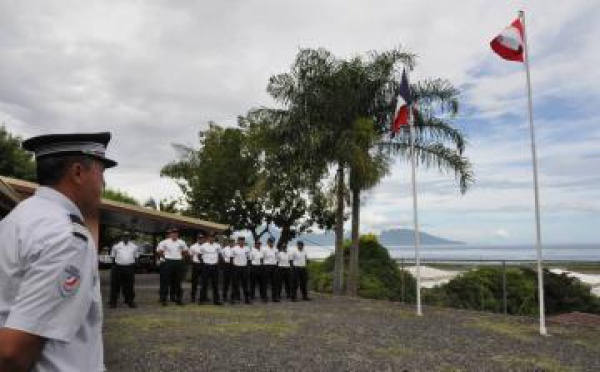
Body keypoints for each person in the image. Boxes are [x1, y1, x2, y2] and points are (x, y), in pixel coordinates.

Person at [0, 132, 116, 371]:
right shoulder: (66, 237)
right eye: (101, 172)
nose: (103, 184)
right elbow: (13, 353)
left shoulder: (18, 219)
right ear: (77, 173)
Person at [156, 228, 188, 306]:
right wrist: (165, 258)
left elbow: (186, 251)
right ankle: (163, 299)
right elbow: (159, 251)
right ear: (170, 234)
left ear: (178, 234)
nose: (174, 234)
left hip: (178, 262)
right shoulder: (165, 242)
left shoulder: (181, 242)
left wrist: (181, 257)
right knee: (165, 282)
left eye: (176, 233)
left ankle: (179, 299)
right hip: (168, 261)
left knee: (177, 282)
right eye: (173, 233)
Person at [109, 232, 140, 308]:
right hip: (118, 267)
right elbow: (113, 257)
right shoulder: (116, 246)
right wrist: (116, 265)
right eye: (124, 236)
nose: (126, 238)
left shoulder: (134, 246)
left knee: (129, 285)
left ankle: (130, 301)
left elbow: (136, 257)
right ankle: (113, 302)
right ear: (122, 237)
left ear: (129, 238)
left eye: (127, 236)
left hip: (129, 267)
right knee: (115, 285)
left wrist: (131, 265)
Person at [198, 232, 222, 305]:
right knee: (204, 284)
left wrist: (218, 262)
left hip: (214, 266)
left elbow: (220, 255)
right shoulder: (203, 246)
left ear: (214, 238)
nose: (211, 238)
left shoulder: (217, 246)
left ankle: (216, 301)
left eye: (213, 237)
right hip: (206, 266)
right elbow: (199, 255)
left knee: (215, 284)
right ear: (208, 238)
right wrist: (203, 263)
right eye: (210, 237)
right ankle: (201, 300)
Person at [230, 236, 251, 304]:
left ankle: (247, 299)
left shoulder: (247, 248)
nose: (241, 242)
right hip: (236, 267)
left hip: (244, 268)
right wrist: (233, 267)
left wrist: (247, 267)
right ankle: (232, 299)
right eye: (240, 240)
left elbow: (248, 258)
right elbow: (231, 259)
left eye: (243, 240)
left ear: (244, 241)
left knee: (245, 284)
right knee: (235, 284)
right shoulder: (234, 248)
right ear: (238, 241)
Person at [188, 232, 206, 303]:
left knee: (204, 282)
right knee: (194, 282)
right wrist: (193, 263)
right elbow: (191, 256)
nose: (200, 239)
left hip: (204, 264)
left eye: (201, 238)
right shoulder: (193, 246)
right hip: (196, 265)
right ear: (197, 239)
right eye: (199, 238)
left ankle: (203, 297)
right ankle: (193, 297)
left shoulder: (206, 246)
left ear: (203, 239)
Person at [261, 237, 279, 302]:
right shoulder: (264, 249)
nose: (271, 243)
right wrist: (263, 267)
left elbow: (277, 259)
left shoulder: (276, 250)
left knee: (274, 282)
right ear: (267, 242)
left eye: (272, 242)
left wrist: (276, 266)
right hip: (266, 266)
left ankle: (274, 297)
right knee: (265, 283)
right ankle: (264, 297)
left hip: (274, 266)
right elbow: (261, 259)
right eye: (270, 241)